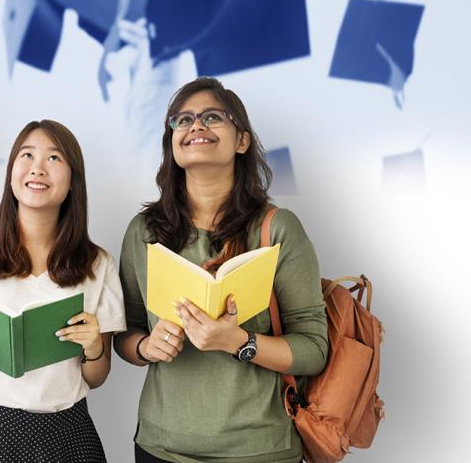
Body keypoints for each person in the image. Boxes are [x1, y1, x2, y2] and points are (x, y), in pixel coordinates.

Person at [114, 77, 329, 463]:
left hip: (260, 450)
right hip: (160, 447)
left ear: (241, 141)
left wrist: (238, 342)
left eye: (212, 117)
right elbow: (124, 334)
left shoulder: (277, 228)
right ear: (172, 141)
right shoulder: (143, 233)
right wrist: (146, 346)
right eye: (182, 120)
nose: (195, 126)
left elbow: (314, 350)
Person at [0, 120, 126, 462]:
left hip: (68, 435)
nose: (37, 168)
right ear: (11, 174)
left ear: (72, 182)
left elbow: (96, 377)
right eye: (26, 155)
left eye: (54, 158)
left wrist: (95, 345)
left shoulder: (98, 265)